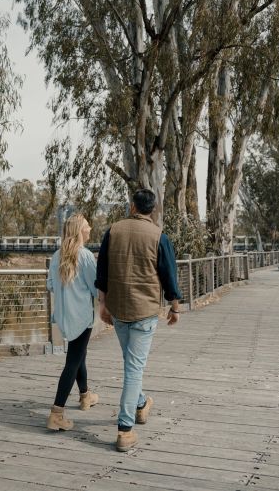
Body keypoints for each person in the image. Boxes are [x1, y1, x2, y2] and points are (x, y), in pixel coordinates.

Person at [95, 189, 182, 452]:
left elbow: (102, 271)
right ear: (152, 209)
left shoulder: (113, 231)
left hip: (118, 308)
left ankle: (141, 404)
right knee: (134, 367)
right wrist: (174, 307)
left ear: (132, 206)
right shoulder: (159, 236)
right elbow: (169, 273)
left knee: (131, 364)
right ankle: (124, 429)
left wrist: (102, 304)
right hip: (145, 311)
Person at [46, 213, 99, 431]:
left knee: (78, 356)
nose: (90, 229)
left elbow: (50, 285)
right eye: (87, 226)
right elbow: (96, 287)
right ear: (79, 230)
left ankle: (85, 396)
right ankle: (57, 413)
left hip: (64, 316)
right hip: (82, 316)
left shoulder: (57, 256)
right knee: (73, 361)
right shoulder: (85, 256)